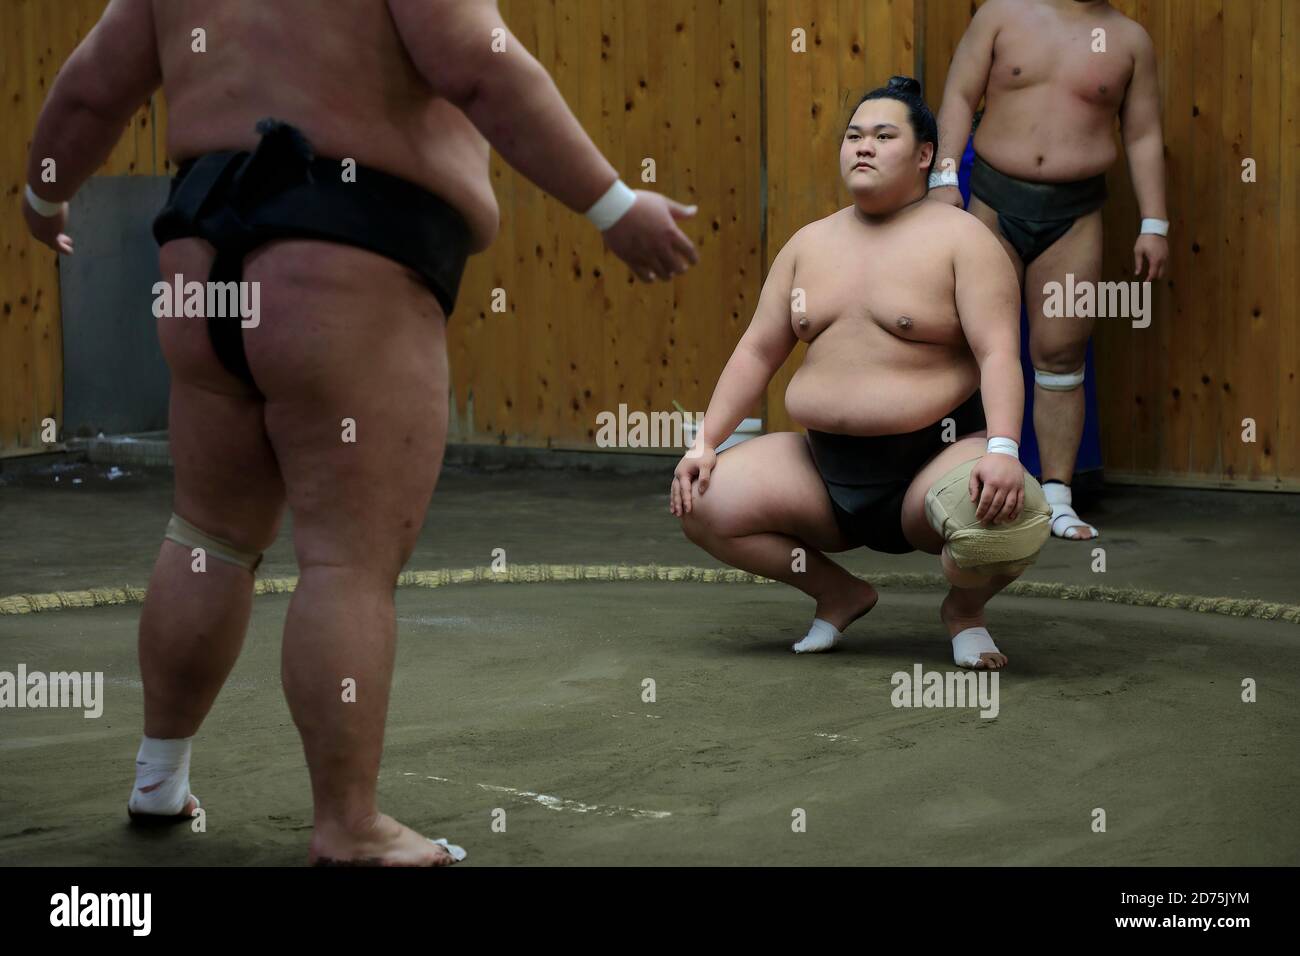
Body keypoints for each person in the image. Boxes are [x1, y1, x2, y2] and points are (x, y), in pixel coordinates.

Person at [22, 0, 699, 866]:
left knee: (209, 535)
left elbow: (88, 90)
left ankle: (159, 776)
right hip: (344, 260)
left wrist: (45, 195)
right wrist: (611, 206)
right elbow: (481, 65)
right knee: (345, 558)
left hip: (201, 260)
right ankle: (348, 823)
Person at [671, 77, 1051, 669]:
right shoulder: (808, 244)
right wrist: (705, 442)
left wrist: (1003, 448)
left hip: (934, 459)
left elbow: (999, 352)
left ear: (924, 155)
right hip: (823, 469)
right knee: (699, 499)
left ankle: (965, 612)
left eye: (882, 135)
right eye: (853, 136)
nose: (863, 147)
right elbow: (756, 351)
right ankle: (838, 593)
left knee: (1012, 517)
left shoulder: (963, 241)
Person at [930, 0, 1169, 540]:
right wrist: (944, 175)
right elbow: (960, 94)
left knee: (1061, 353)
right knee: (971, 339)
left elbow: (1143, 134)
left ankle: (1058, 497)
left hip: (1074, 214)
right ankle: (961, 481)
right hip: (993, 199)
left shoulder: (1129, 41)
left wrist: (1155, 223)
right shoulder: (1001, 14)